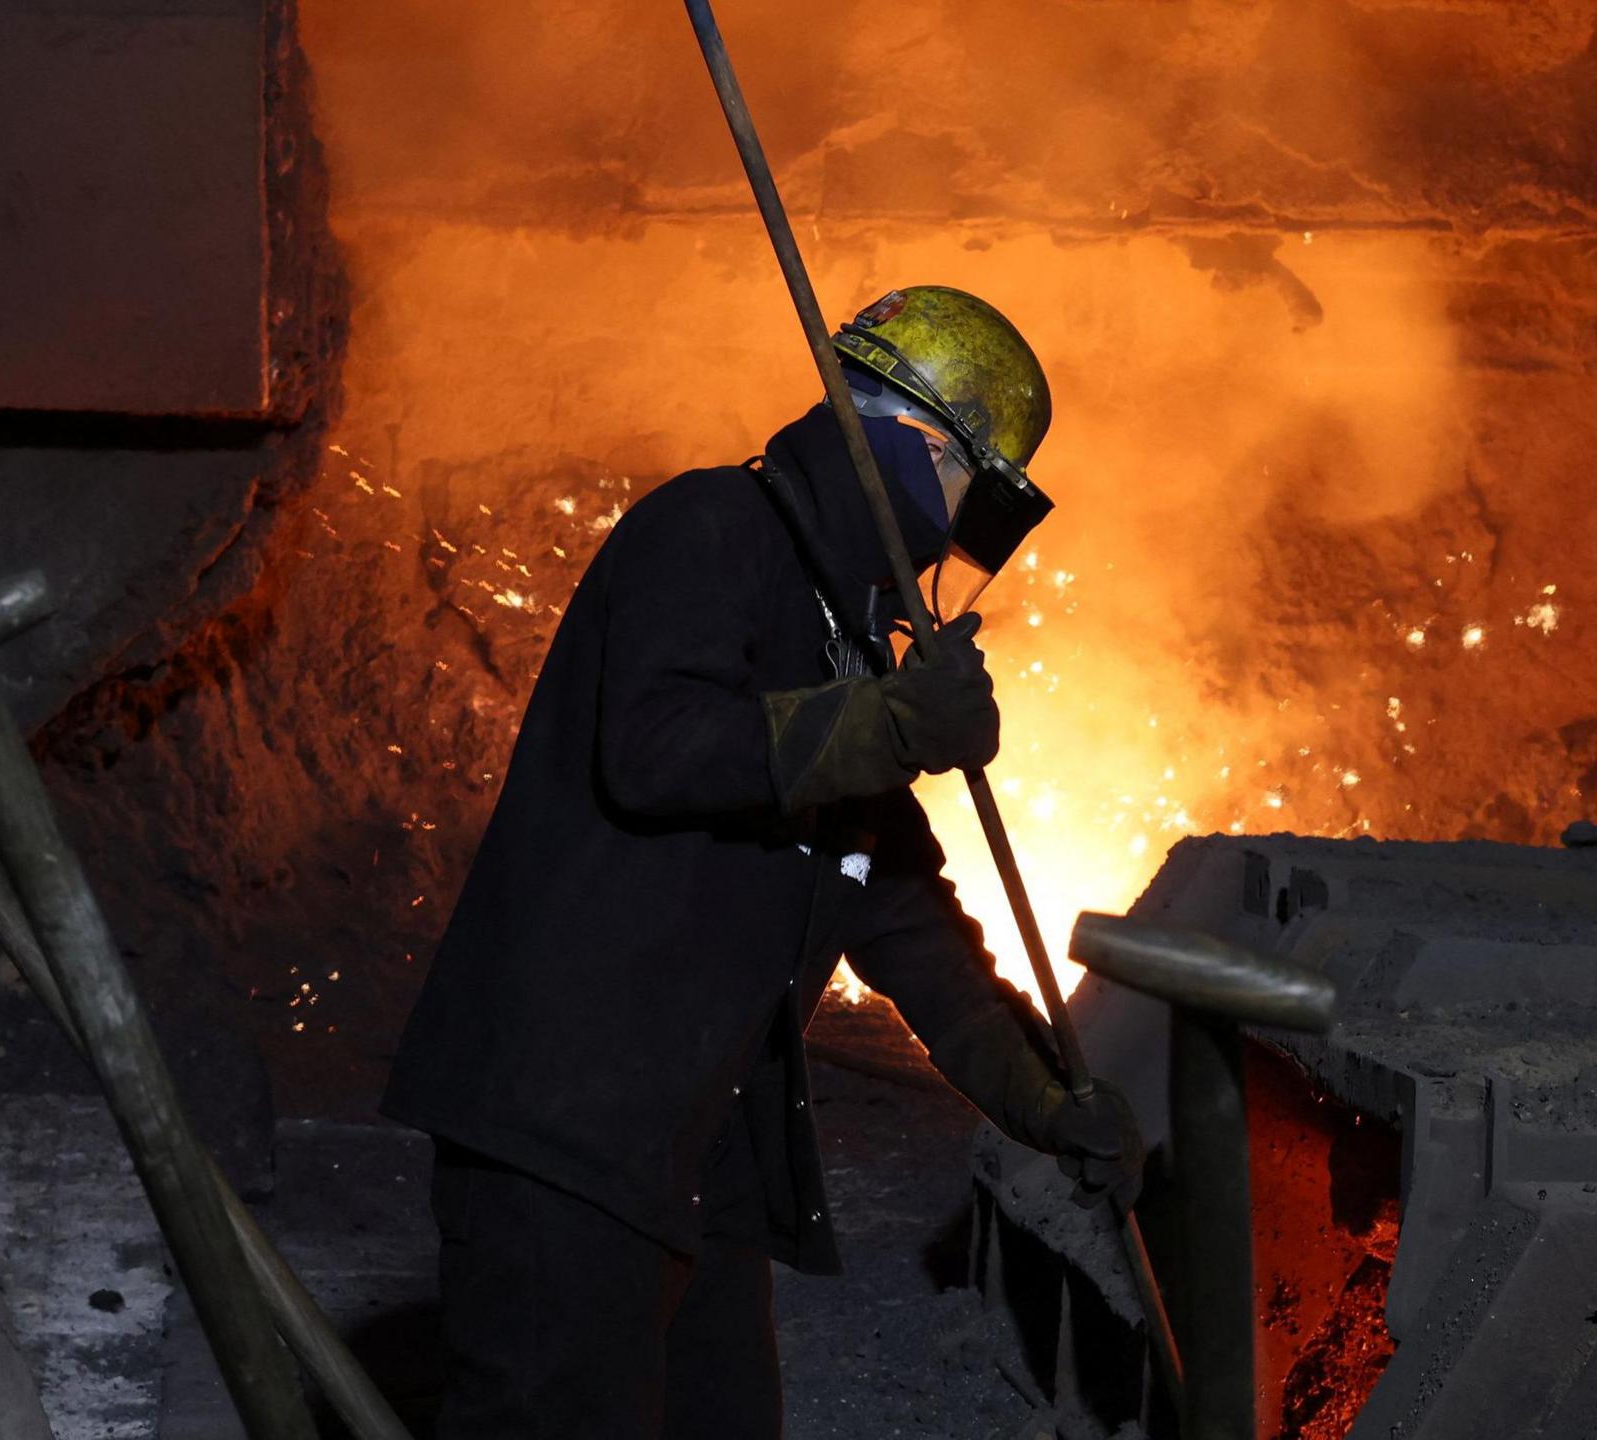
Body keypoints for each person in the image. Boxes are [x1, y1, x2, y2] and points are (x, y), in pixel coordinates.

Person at [382, 285, 1144, 1438]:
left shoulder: (839, 642)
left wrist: (1040, 1094)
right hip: (564, 1135)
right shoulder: (708, 530)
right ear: (911, 444)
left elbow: (904, 920)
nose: (955, 538)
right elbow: (655, 749)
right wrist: (891, 726)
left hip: (695, 1151)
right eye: (967, 500)